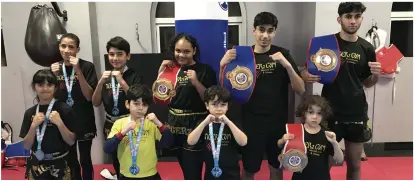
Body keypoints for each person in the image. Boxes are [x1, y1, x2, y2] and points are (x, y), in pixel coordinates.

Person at [219, 12, 305, 179]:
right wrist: (222, 65)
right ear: (254, 31)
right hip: (251, 123)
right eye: (261, 30)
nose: (265, 35)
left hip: (277, 122)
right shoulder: (243, 55)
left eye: (270, 31)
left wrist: (287, 66)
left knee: (276, 166)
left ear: (275, 32)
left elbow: (300, 89)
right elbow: (225, 91)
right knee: (250, 168)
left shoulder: (283, 54)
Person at [301, 2, 381, 180]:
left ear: (361, 19)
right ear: (340, 19)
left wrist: (377, 75)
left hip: (356, 112)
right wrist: (305, 75)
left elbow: (368, 83)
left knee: (354, 163)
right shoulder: (326, 44)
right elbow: (306, 71)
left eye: (357, 16)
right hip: (329, 111)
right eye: (348, 17)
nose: (353, 21)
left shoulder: (367, 48)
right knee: (324, 161)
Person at [158, 33, 217, 180]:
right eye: (178, 51)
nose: (181, 55)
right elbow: (160, 95)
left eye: (186, 51)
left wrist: (196, 82)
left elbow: (211, 100)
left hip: (195, 122)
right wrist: (161, 73)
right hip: (174, 123)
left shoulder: (205, 70)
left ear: (194, 51)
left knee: (193, 167)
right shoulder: (170, 69)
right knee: (183, 164)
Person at [92, 36, 143, 179]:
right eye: (112, 54)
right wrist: (100, 82)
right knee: (115, 157)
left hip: (130, 123)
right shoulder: (105, 76)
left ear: (128, 56)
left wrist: (121, 79)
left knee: (132, 156)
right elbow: (95, 102)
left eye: (120, 54)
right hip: (110, 124)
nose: (115, 58)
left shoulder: (135, 76)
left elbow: (137, 99)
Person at [50, 33, 98, 180]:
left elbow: (89, 96)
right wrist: (53, 77)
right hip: (65, 122)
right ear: (59, 47)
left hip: (84, 120)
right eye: (63, 46)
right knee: (71, 160)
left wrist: (78, 71)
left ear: (77, 49)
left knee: (85, 159)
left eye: (71, 47)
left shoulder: (87, 66)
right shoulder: (55, 68)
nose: (67, 50)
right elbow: (50, 98)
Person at [104, 84, 173, 180]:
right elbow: (107, 148)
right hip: (127, 175)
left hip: (150, 175)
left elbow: (168, 143)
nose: (140, 108)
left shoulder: (151, 123)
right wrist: (123, 132)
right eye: (136, 103)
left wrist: (159, 123)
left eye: (144, 104)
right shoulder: (120, 123)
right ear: (127, 104)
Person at [19, 69, 77, 180]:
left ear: (55, 87)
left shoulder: (65, 110)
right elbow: (26, 146)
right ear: (34, 87)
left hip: (61, 162)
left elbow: (71, 141)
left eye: (49, 85)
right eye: (40, 85)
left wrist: (60, 124)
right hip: (37, 164)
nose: (45, 89)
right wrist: (33, 126)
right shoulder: (30, 113)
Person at [187, 86, 247, 180]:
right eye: (214, 104)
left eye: (223, 105)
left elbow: (243, 142)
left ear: (227, 106)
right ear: (207, 105)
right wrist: (204, 123)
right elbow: (190, 141)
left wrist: (228, 122)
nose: (218, 109)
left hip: (231, 173)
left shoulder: (232, 123)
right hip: (210, 173)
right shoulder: (203, 123)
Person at [278, 95, 343, 180]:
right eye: (311, 112)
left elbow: (340, 159)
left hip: (321, 177)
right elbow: (280, 147)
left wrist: (335, 143)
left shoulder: (326, 134)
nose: (315, 117)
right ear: (304, 113)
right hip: (299, 177)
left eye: (319, 113)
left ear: (323, 115)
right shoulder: (296, 131)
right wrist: (282, 140)